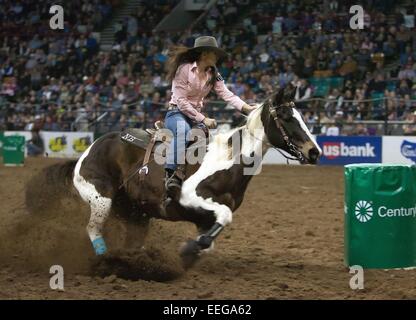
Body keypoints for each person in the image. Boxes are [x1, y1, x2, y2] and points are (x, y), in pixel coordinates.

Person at [164, 36, 256, 200]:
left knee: (206, 143)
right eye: (214, 54)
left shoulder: (214, 74)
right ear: (204, 54)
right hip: (176, 112)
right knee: (182, 131)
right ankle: (170, 176)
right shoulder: (183, 70)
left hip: (194, 117)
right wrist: (203, 119)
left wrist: (246, 108)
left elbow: (227, 94)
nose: (217, 57)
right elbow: (181, 101)